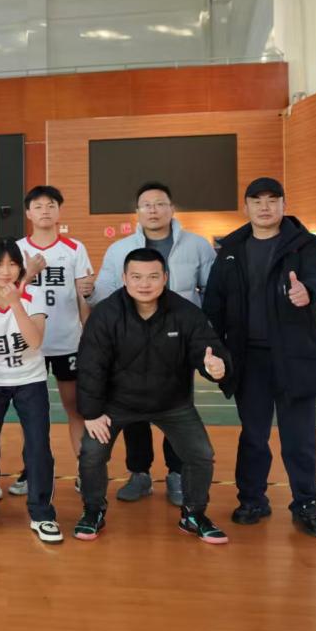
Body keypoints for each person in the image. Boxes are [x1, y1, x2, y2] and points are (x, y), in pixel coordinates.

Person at [203, 177, 316, 538]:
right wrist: (214, 348)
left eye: (272, 200)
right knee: (253, 435)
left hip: (296, 357)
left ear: (283, 205)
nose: (265, 207)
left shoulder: (306, 245)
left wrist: (310, 290)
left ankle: (306, 504)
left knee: (300, 438)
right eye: (257, 200)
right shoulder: (231, 249)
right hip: (249, 360)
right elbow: (214, 301)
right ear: (246, 206)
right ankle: (252, 500)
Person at [74, 248, 231, 544]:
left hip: (172, 403)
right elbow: (91, 365)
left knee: (201, 454)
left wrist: (216, 367)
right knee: (92, 453)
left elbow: (208, 350)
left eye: (153, 277)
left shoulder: (185, 313)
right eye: (136, 277)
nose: (144, 284)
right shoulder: (106, 314)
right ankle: (93, 510)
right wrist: (92, 413)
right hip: (117, 403)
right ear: (124, 278)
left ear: (165, 278)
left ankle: (194, 514)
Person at [90, 181, 216, 506]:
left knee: (177, 407)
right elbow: (104, 290)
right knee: (133, 412)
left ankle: (176, 474)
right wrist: (87, 295)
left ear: (172, 209)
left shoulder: (197, 246)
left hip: (177, 343)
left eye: (160, 204)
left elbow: (213, 292)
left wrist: (205, 335)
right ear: (137, 211)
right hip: (129, 342)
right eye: (146, 205)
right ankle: (139, 473)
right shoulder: (119, 249)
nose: (154, 210)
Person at [0, 237, 61, 542]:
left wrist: (16, 304)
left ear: (20, 267)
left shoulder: (34, 296)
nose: (6, 271)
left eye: (13, 264)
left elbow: (35, 342)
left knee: (38, 446)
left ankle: (42, 514)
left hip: (30, 381)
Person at [15, 186, 93, 496]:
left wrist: (90, 337)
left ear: (59, 211)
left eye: (51, 205)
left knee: (76, 409)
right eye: (38, 206)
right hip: (30, 344)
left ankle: (85, 471)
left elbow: (83, 297)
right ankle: (30, 471)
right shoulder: (17, 250)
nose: (45, 210)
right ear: (28, 213)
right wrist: (29, 273)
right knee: (31, 414)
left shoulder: (74, 248)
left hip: (68, 342)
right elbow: (7, 295)